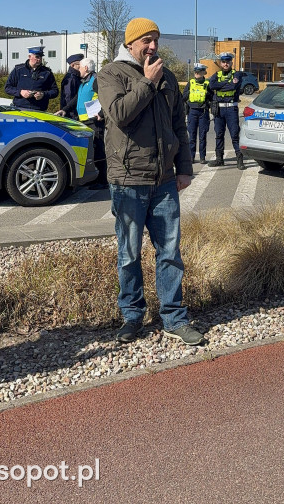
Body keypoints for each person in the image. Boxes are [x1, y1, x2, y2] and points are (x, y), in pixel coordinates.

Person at [97, 17, 205, 346]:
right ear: (130, 44)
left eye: (155, 39)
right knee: (129, 254)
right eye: (146, 40)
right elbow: (118, 114)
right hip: (128, 180)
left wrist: (184, 168)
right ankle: (132, 316)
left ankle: (174, 317)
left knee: (170, 252)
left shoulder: (168, 76)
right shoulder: (111, 74)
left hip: (165, 182)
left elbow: (179, 127)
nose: (153, 46)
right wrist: (145, 82)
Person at [64, 57, 108, 190]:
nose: (79, 70)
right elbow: (77, 99)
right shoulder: (84, 82)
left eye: (81, 67)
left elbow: (106, 98)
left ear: (86, 68)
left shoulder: (96, 80)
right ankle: (94, 178)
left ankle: (103, 180)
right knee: (91, 151)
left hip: (95, 122)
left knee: (99, 150)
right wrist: (64, 110)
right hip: (84, 121)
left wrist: (101, 114)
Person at [208, 51, 245, 170]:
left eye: (228, 61)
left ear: (231, 62)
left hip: (231, 109)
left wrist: (221, 85)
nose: (225, 64)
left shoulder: (237, 74)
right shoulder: (216, 75)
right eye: (223, 62)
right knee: (219, 134)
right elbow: (212, 86)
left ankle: (240, 160)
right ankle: (220, 159)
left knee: (234, 134)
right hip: (219, 109)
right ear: (220, 63)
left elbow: (233, 86)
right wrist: (225, 83)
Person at [4, 46, 58, 111]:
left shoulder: (47, 72)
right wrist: (20, 92)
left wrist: (43, 94)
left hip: (39, 109)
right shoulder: (18, 70)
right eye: (37, 57)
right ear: (29, 57)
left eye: (41, 57)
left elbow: (55, 91)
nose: (39, 59)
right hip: (20, 108)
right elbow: (7, 87)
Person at [182, 63, 212, 164]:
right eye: (195, 72)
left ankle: (202, 157)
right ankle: (191, 156)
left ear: (204, 72)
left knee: (202, 136)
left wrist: (208, 96)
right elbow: (183, 97)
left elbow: (212, 98)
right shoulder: (190, 83)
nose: (197, 73)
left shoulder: (207, 84)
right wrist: (190, 93)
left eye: (199, 72)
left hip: (203, 112)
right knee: (192, 135)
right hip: (192, 112)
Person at [54, 53, 83, 119]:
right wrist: (72, 114)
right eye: (80, 64)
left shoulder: (77, 77)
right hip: (71, 114)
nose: (82, 67)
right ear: (73, 65)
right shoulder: (71, 78)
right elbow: (68, 97)